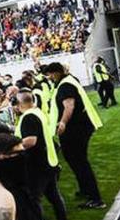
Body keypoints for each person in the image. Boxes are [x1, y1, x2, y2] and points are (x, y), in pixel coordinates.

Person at [44, 61, 105, 210]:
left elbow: (69, 105)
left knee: (79, 162)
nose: (49, 77)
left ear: (56, 73)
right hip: (79, 127)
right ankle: (85, 189)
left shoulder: (65, 85)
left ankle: (95, 198)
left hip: (75, 129)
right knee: (75, 160)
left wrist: (63, 122)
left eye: (50, 74)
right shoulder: (68, 80)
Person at [14, 90, 69, 220]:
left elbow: (31, 141)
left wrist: (12, 147)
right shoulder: (37, 112)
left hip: (37, 165)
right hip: (48, 161)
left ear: (19, 105)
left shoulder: (28, 117)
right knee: (55, 198)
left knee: (34, 200)